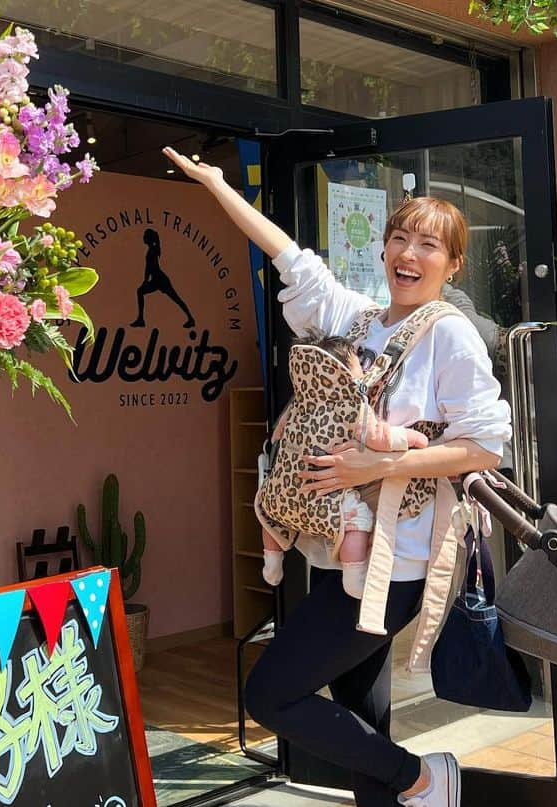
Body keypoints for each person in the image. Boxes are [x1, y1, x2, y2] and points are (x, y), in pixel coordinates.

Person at [162, 146, 511, 807]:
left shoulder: (450, 336)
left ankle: (420, 777)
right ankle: (397, 790)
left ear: (453, 263)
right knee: (358, 707)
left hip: (393, 560)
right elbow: (290, 256)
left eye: (429, 244)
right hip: (335, 547)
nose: (409, 252)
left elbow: (486, 445)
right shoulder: (360, 319)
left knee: (270, 692)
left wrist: (382, 462)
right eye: (400, 237)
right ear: (383, 249)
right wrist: (214, 185)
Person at [258, 332, 430, 598]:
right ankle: (353, 578)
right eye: (356, 365)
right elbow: (380, 436)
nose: (362, 370)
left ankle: (272, 562)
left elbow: (276, 436)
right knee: (356, 521)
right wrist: (414, 438)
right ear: (341, 373)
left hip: (284, 492)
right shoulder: (350, 406)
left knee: (267, 511)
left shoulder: (300, 404)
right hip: (324, 500)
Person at [130, 227, 195, 329]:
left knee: (176, 298)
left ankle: (191, 319)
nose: (143, 238)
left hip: (160, 279)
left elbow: (149, 268)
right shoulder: (151, 250)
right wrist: (146, 280)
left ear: (148, 238)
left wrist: (146, 280)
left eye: (145, 236)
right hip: (156, 280)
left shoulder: (152, 250)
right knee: (140, 292)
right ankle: (141, 319)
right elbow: (148, 269)